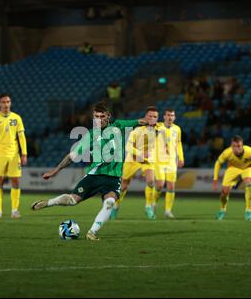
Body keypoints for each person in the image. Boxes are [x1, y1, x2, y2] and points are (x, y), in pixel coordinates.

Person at [30, 101, 148, 240]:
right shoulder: (91, 135)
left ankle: (92, 232)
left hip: (113, 178)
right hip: (94, 175)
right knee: (72, 201)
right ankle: (48, 203)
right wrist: (55, 172)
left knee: (110, 202)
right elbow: (72, 156)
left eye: (101, 116)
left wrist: (150, 121)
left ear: (108, 116)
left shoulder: (119, 126)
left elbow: (139, 121)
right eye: (96, 116)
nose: (99, 119)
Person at [111, 106, 159, 220]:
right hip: (132, 159)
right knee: (123, 186)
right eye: (150, 116)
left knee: (151, 181)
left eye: (155, 116)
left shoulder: (159, 128)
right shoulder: (137, 130)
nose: (152, 118)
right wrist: (141, 154)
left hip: (147, 160)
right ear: (145, 117)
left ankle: (148, 206)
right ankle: (116, 206)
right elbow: (128, 146)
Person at [0, 93, 27, 219]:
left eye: (8, 102)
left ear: (10, 103)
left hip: (14, 155)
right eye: (3, 102)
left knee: (16, 181)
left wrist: (24, 153)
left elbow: (21, 137)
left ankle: (14, 210)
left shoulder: (17, 118)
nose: (6, 104)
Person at [212, 135, 251, 221]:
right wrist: (215, 179)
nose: (236, 149)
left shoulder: (250, 151)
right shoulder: (227, 152)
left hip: (248, 167)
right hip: (233, 168)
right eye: (234, 146)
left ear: (242, 145)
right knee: (224, 192)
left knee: (249, 183)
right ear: (231, 146)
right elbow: (218, 163)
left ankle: (248, 211)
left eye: (239, 146)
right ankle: (222, 209)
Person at [153, 109, 184, 218]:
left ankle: (168, 211)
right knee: (160, 185)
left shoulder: (177, 129)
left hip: (171, 161)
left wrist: (181, 157)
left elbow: (179, 144)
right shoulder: (158, 126)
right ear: (164, 116)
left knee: (171, 186)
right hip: (159, 160)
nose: (170, 117)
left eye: (172, 115)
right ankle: (153, 203)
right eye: (168, 115)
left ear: (174, 117)